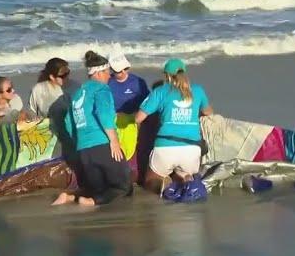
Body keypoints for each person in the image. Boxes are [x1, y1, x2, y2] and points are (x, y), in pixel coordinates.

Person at [52, 51, 132, 206]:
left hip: (84, 150)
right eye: (107, 72)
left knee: (100, 189)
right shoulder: (101, 89)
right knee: (124, 188)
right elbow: (104, 114)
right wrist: (114, 140)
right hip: (103, 145)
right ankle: (91, 202)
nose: (109, 76)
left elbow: (68, 122)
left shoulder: (77, 94)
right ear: (99, 72)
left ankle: (70, 198)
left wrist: (80, 142)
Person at [135, 58, 213, 194]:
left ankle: (162, 185)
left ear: (166, 75)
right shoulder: (198, 90)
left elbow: (138, 118)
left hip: (165, 147)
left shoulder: (160, 91)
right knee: (182, 170)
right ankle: (185, 178)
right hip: (191, 149)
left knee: (149, 180)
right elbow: (209, 113)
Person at [107, 52, 149, 183]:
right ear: (112, 70)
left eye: (126, 68)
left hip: (134, 120)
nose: (124, 72)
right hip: (114, 122)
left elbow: (148, 103)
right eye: (119, 71)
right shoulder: (107, 84)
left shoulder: (138, 82)